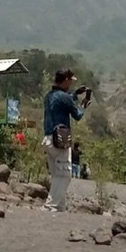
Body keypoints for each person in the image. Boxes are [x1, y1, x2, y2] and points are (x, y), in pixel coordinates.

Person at [42, 68, 90, 213]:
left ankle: (60, 207)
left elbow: (63, 101)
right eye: (70, 81)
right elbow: (77, 115)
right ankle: (50, 206)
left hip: (48, 138)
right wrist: (84, 104)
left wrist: (75, 95)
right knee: (64, 175)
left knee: (57, 174)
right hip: (59, 140)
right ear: (67, 80)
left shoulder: (49, 95)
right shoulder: (64, 97)